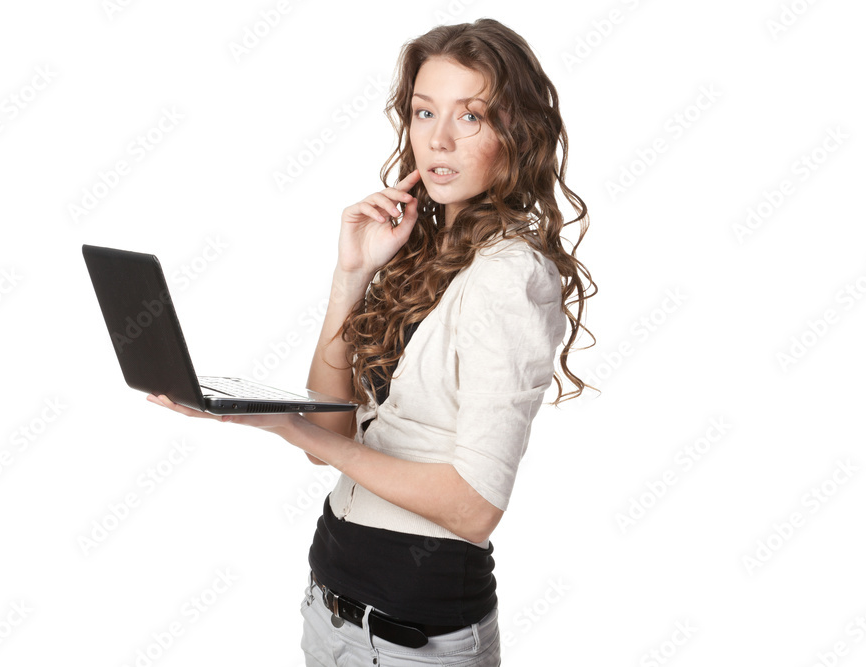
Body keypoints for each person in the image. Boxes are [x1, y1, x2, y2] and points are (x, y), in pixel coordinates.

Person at [147, 17, 596, 666]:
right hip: (331, 607)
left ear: (516, 133)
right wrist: (351, 274)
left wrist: (291, 427)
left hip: (414, 638)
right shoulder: (423, 253)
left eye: (470, 116)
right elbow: (333, 433)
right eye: (424, 111)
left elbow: (474, 507)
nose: (438, 139)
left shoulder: (510, 275)